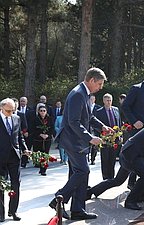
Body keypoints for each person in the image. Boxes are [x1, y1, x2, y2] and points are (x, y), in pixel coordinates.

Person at [48, 67, 113, 221]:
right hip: (72, 141)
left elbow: (89, 117)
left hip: (77, 141)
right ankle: (59, 198)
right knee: (83, 171)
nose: (100, 88)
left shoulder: (84, 93)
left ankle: (77, 209)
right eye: (99, 84)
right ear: (91, 80)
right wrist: (90, 137)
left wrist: (102, 126)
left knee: (77, 174)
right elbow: (73, 121)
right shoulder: (78, 94)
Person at [0, 98, 31, 222]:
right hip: (0, 157)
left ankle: (13, 211)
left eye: (13, 110)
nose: (10, 113)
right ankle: (0, 214)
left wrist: (25, 149)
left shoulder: (17, 118)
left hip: (14, 156)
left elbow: (19, 137)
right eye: (8, 111)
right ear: (1, 108)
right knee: (1, 186)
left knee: (15, 184)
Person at [94, 93, 121, 179]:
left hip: (114, 139)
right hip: (105, 139)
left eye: (110, 100)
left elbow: (119, 122)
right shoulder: (99, 112)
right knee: (105, 159)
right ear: (103, 101)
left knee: (112, 159)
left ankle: (112, 178)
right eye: (107, 100)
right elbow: (95, 126)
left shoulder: (116, 110)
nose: (109, 102)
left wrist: (119, 135)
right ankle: (105, 178)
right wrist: (101, 136)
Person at [32, 103, 55, 175]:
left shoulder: (50, 119)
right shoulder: (35, 119)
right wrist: (40, 134)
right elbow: (33, 129)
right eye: (41, 111)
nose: (42, 112)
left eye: (44, 111)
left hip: (47, 140)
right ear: (38, 111)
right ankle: (39, 166)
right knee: (39, 154)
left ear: (46, 111)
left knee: (45, 155)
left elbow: (52, 128)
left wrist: (48, 135)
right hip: (38, 140)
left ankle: (43, 170)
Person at [89, 94, 101, 165]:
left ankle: (92, 159)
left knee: (95, 145)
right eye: (91, 99)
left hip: (95, 128)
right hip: (87, 127)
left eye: (93, 99)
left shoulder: (98, 108)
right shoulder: (86, 107)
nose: (92, 101)